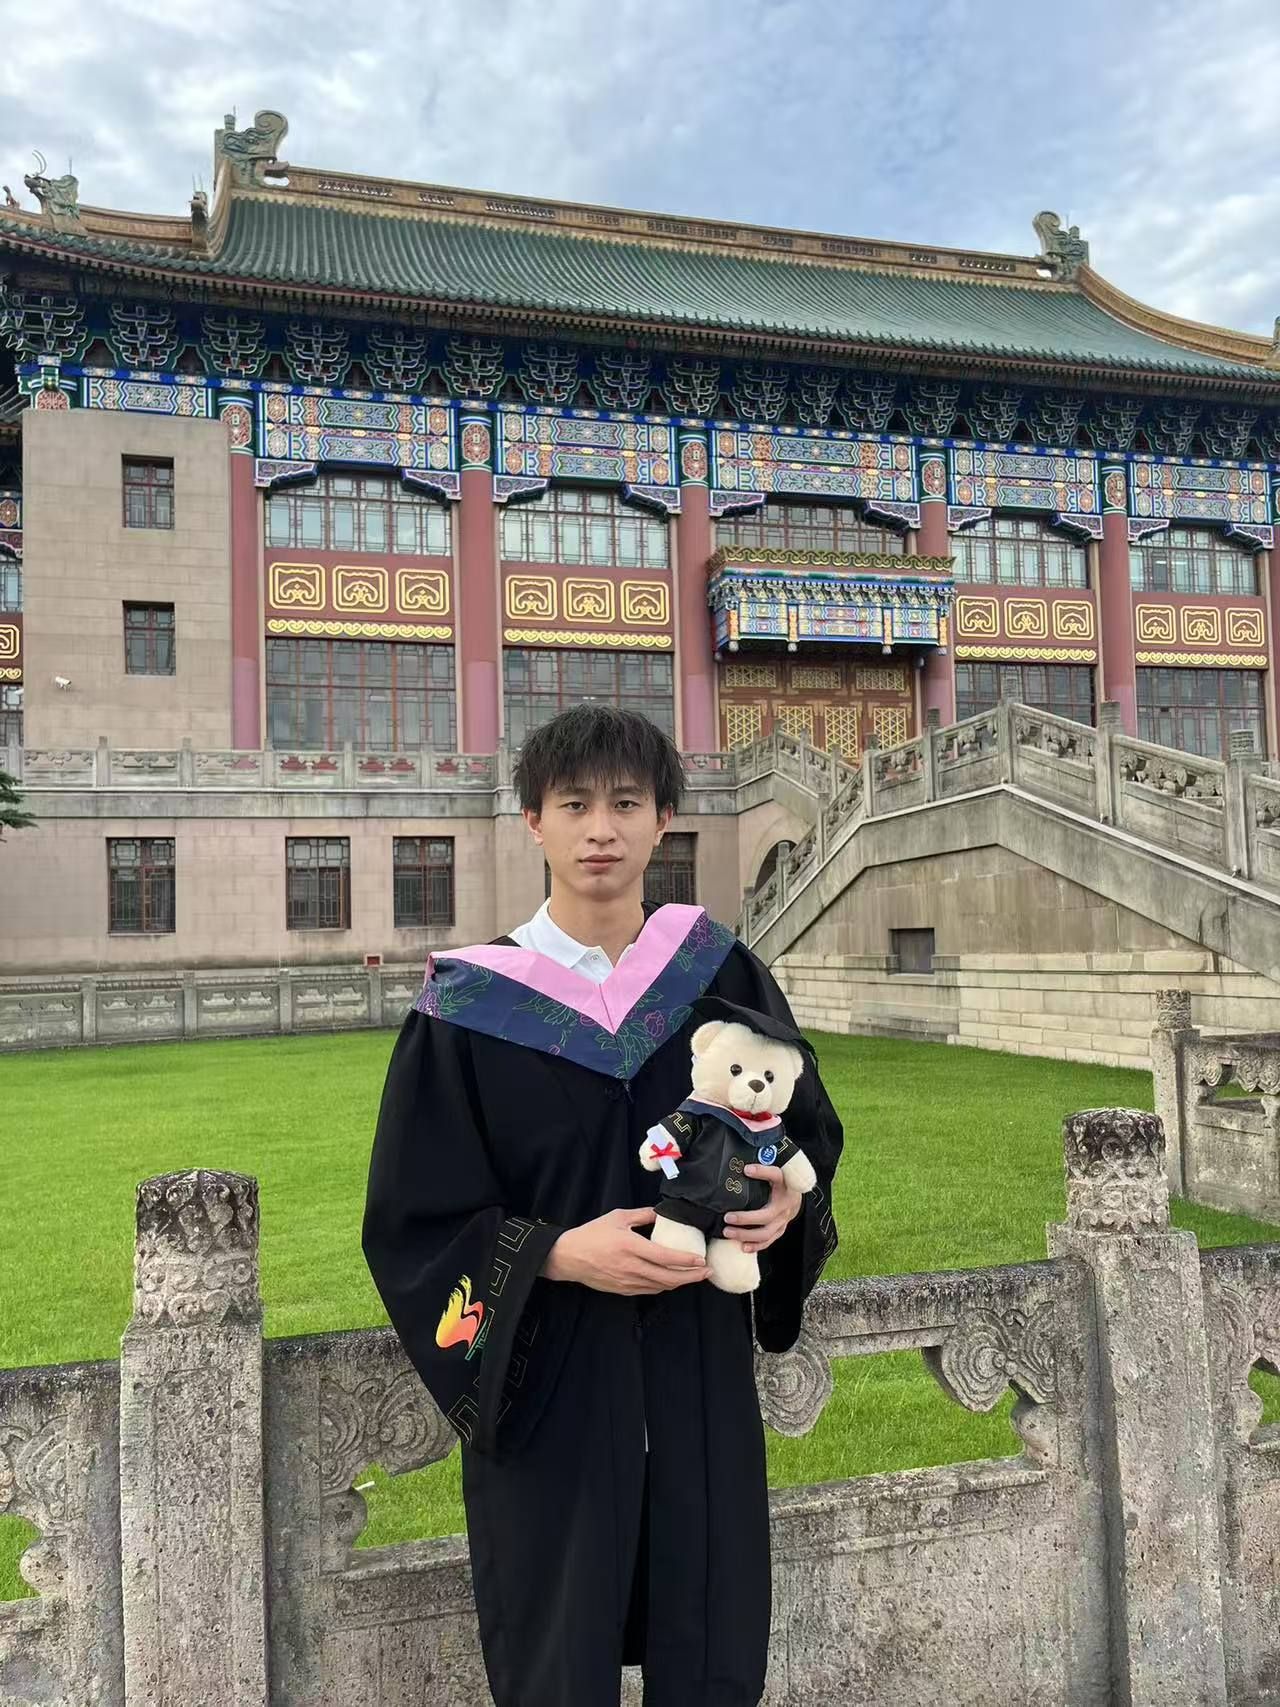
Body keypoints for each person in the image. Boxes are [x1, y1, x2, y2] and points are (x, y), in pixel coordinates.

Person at [362, 705, 843, 1707]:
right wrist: (555, 1253)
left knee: (708, 1642)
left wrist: (781, 1210)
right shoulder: (469, 1007)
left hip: (697, 1372)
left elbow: (802, 1130)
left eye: (625, 803)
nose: (600, 830)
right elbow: (414, 1217)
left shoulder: (716, 973)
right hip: (555, 1380)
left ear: (663, 819)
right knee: (558, 1657)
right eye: (573, 804)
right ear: (532, 821)